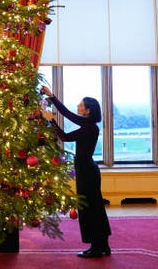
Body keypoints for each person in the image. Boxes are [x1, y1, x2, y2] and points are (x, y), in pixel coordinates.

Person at [40, 85, 112, 258]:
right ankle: (103, 245)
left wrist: (51, 120)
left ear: (87, 111)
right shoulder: (89, 124)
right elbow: (68, 114)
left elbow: (64, 137)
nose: (78, 107)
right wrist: (52, 96)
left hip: (86, 171)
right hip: (88, 169)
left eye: (81, 105)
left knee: (88, 209)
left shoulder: (89, 128)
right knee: (95, 207)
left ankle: (95, 248)